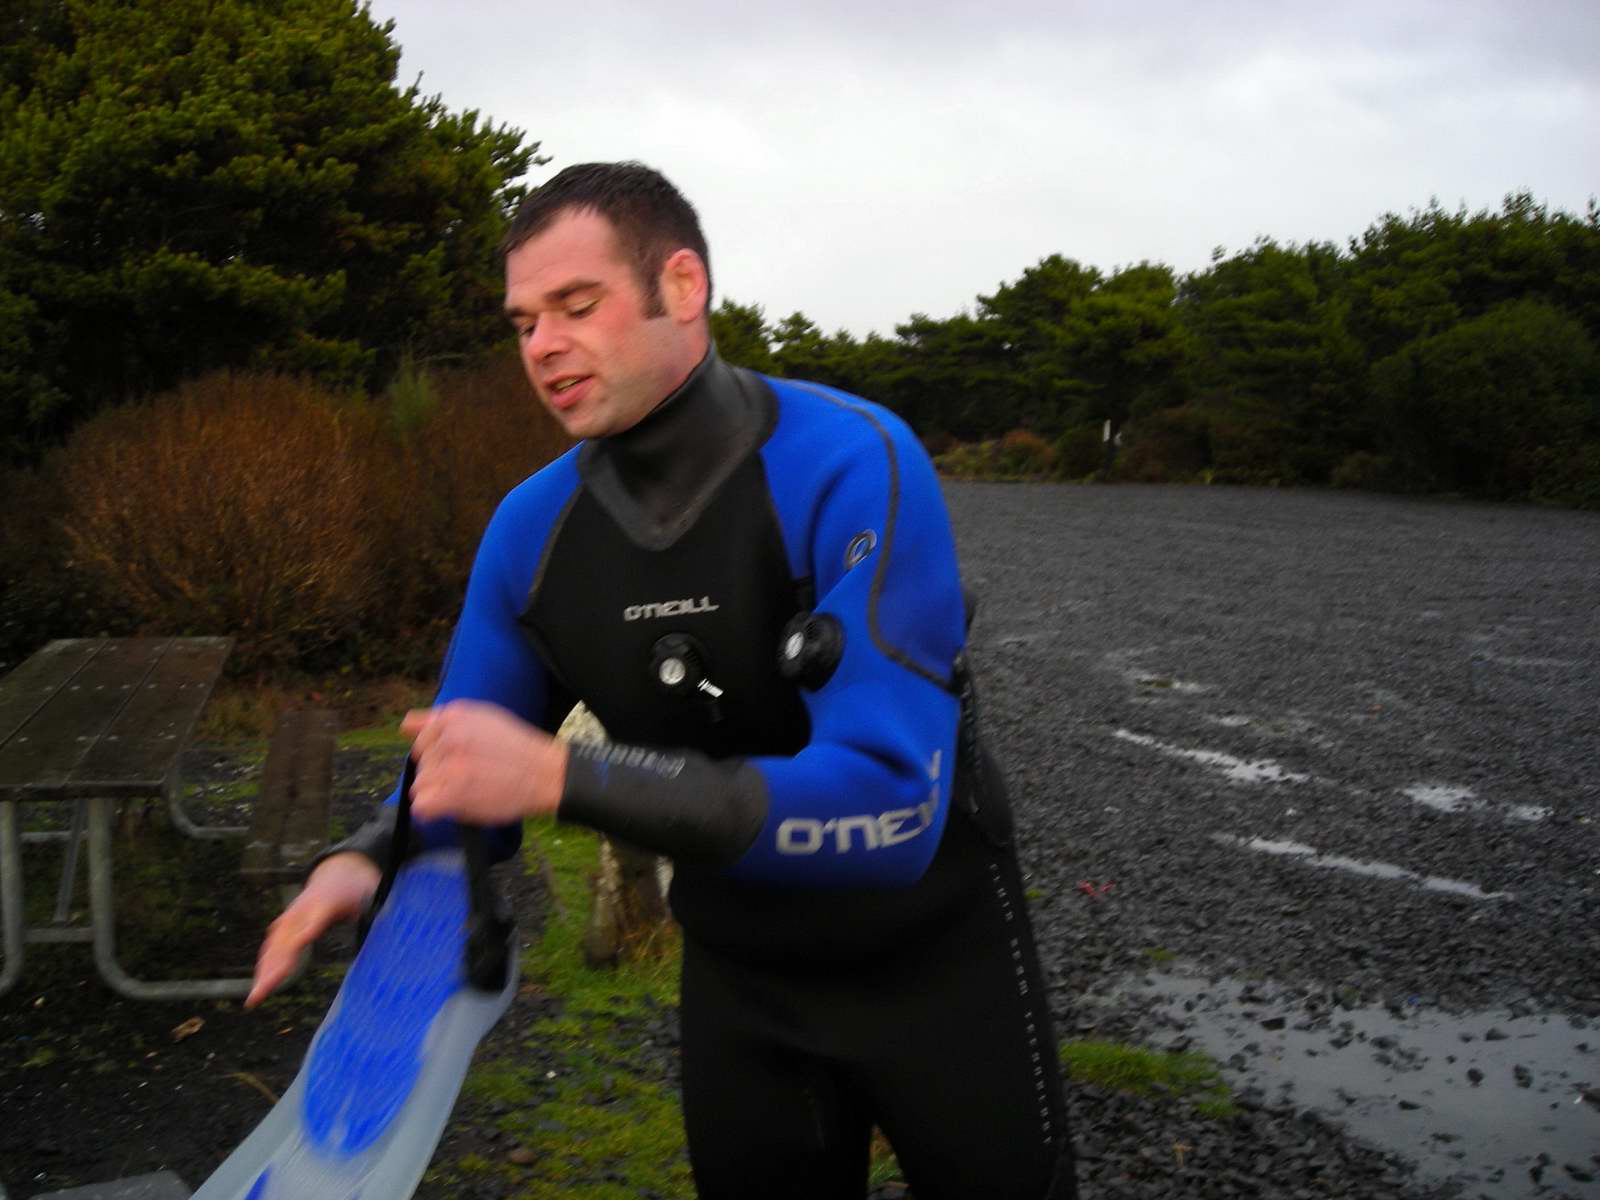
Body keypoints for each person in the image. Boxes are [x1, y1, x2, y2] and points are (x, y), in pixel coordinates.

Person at [247, 161, 1076, 1199]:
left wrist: (563, 777)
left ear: (682, 288)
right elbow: (467, 758)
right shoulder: (530, 532)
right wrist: (374, 853)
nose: (543, 346)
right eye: (521, 323)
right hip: (744, 982)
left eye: (575, 306)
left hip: (935, 965)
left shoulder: (848, 459)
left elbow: (893, 803)